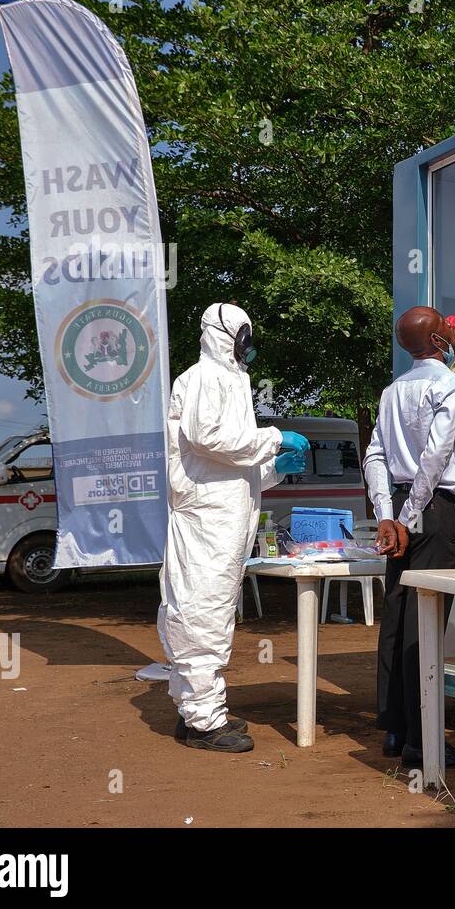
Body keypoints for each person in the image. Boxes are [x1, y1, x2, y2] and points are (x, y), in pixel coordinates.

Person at [158, 303, 308, 752]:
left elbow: (228, 469)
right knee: (200, 614)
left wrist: (274, 469)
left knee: (211, 613)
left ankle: (199, 709)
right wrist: (274, 437)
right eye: (244, 334)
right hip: (205, 521)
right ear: (225, 334)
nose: (249, 344)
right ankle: (204, 721)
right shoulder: (205, 377)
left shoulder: (231, 380)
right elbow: (209, 438)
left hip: (220, 516)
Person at [363, 306, 455, 770]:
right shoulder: (448, 385)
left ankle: (396, 729)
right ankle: (423, 740)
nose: (453, 335)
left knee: (397, 617)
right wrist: (410, 516)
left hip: (400, 509)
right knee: (424, 623)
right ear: (437, 341)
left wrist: (387, 514)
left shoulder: (392, 391)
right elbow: (436, 455)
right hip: (431, 513)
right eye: (446, 330)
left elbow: (374, 454)